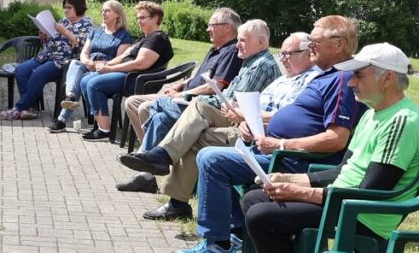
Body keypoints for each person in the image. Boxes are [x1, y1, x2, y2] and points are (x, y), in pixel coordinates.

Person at [124, 16, 364, 223]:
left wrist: (277, 142)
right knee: (193, 121)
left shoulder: (339, 79)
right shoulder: (318, 77)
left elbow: (335, 138)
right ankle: (172, 182)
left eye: (314, 42)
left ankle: (216, 233)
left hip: (281, 152)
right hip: (255, 132)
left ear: (339, 44)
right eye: (283, 53)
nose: (284, 58)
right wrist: (247, 121)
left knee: (205, 149)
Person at [243, 43, 419, 253]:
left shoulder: (403, 121)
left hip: (362, 214)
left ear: (387, 78)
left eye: (359, 75)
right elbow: (343, 170)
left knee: (261, 215)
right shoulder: (372, 113)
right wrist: (293, 179)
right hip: (343, 201)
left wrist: (300, 192)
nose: (351, 83)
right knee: (253, 198)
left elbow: (371, 191)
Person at [120, 20, 280, 238]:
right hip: (234, 119)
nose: (238, 44)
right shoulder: (250, 62)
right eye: (239, 40)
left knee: (195, 112)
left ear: (261, 42)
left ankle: (163, 163)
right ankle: (173, 191)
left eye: (243, 40)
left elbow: (235, 104)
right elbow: (230, 100)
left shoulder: (261, 65)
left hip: (246, 127)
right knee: (190, 126)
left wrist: (196, 97)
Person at [116, 32, 320, 194]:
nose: (283, 59)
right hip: (242, 120)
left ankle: (169, 184)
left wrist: (245, 116)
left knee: (185, 121)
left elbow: (285, 117)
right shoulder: (283, 78)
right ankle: (160, 161)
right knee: (187, 111)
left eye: (288, 54)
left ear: (308, 52)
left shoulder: (307, 80)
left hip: (259, 133)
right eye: (282, 54)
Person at [121, 7, 243, 148]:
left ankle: (152, 152)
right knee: (132, 103)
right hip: (184, 95)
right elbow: (201, 77)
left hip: (194, 102)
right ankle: (149, 150)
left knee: (143, 107)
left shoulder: (231, 52)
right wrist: (180, 85)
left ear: (227, 27)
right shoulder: (216, 49)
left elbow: (214, 86)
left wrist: (181, 94)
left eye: (212, 25)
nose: (207, 29)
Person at [79, 1, 175, 141]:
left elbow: (140, 64)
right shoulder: (145, 37)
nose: (139, 21)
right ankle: (100, 123)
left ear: (155, 19)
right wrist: (105, 64)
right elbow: (124, 56)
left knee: (94, 84)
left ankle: (104, 130)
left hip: (138, 80)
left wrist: (110, 69)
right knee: (85, 80)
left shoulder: (157, 38)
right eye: (138, 18)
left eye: (143, 18)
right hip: (127, 75)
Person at [0, 0, 95, 121]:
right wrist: (45, 37)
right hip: (47, 56)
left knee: (38, 73)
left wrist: (65, 32)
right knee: (21, 70)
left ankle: (18, 108)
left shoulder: (87, 25)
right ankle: (31, 108)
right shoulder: (63, 21)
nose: (66, 10)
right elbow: (53, 39)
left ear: (79, 7)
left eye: (69, 7)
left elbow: (82, 46)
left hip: (64, 61)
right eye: (65, 7)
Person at [53, 0, 132, 131]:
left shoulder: (124, 36)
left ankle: (61, 119)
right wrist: (88, 62)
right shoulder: (96, 31)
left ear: (117, 14)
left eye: (107, 11)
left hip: (107, 69)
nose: (103, 13)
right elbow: (84, 52)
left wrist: (101, 65)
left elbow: (119, 59)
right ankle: (70, 96)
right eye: (103, 11)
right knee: (75, 63)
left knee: (81, 80)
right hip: (90, 64)